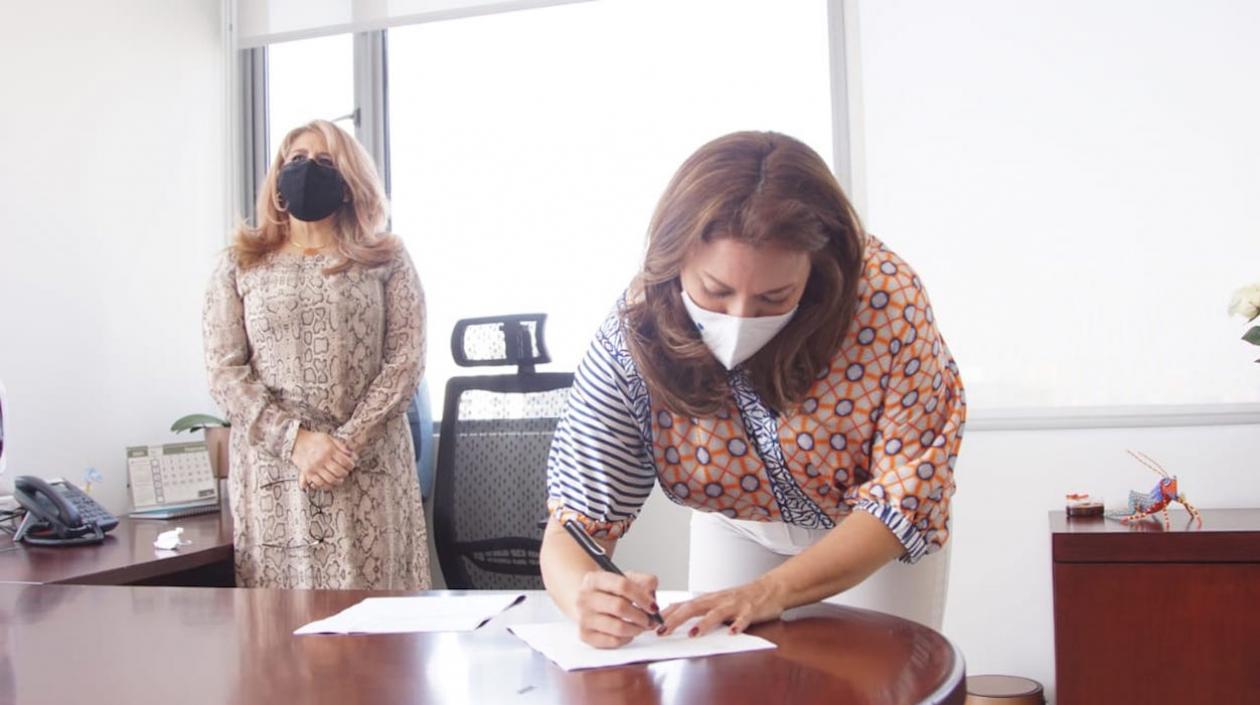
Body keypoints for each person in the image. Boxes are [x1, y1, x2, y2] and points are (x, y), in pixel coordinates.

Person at [540, 131, 964, 647]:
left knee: (879, 681)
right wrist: (584, 595)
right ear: (676, 263)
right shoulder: (636, 333)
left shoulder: (884, 302)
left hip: (867, 533)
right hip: (737, 525)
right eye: (715, 291)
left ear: (818, 272)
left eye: (774, 296)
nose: (740, 319)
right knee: (723, 679)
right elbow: (573, 525)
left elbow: (905, 496)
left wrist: (770, 591)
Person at [203, 119, 429, 589]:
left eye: (325, 162)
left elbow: (405, 361)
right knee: (281, 642)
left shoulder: (386, 257)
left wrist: (343, 446)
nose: (309, 171)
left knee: (375, 637)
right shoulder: (239, 262)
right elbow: (225, 372)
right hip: (275, 478)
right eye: (297, 161)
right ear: (278, 179)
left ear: (349, 181)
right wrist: (297, 442)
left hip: (367, 472)